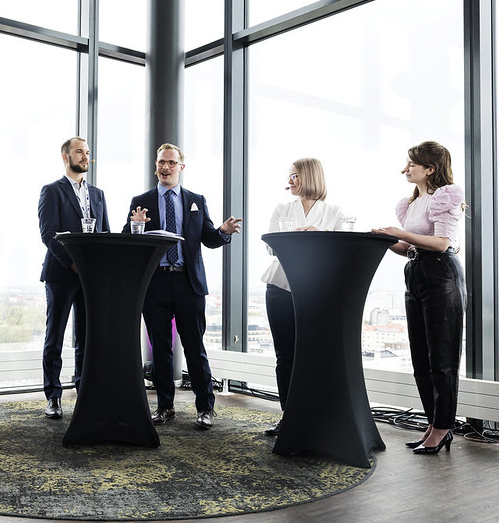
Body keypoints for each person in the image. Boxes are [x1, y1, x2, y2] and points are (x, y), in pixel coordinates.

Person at [125, 142, 242, 429]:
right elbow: (128, 241)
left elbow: (209, 238)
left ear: (181, 167)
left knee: (194, 347)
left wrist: (224, 233)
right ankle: (165, 407)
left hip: (189, 284)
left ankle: (206, 408)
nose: (165, 167)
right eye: (161, 162)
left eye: (171, 163)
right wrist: (134, 226)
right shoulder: (141, 200)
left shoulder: (196, 200)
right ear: (156, 165)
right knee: (160, 350)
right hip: (156, 284)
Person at [373, 141, 466, 455]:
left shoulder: (446, 197)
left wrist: (398, 233)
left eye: (413, 163)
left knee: (442, 360)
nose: (406, 168)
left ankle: (443, 427)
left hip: (441, 275)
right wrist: (386, 240)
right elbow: (409, 249)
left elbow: (441, 243)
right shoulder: (411, 203)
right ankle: (433, 423)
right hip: (416, 274)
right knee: (421, 361)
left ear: (430, 168)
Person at [261, 158, 345, 436]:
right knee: (285, 356)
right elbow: (271, 248)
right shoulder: (283, 208)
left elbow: (340, 250)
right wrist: (297, 240)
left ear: (308, 176)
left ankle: (316, 416)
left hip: (317, 292)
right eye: (289, 176)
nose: (290, 182)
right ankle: (287, 416)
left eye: (294, 176)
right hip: (280, 287)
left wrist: (319, 235)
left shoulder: (333, 212)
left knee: (315, 355)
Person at [38, 137, 110, 418]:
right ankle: (53, 396)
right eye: (80, 152)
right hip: (60, 273)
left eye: (88, 153)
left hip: (90, 277)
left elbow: (104, 233)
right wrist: (73, 263)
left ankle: (84, 390)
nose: (85, 157)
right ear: (66, 157)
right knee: (54, 336)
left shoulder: (99, 194)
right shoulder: (51, 191)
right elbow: (48, 234)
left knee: (86, 336)